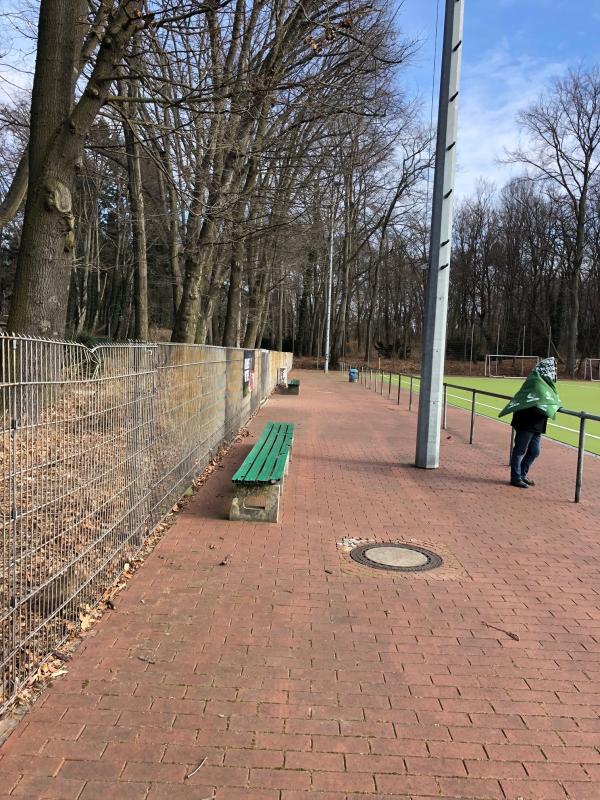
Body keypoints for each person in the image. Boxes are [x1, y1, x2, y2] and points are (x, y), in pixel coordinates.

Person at [498, 357, 561, 489]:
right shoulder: (535, 382)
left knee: (534, 451)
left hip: (537, 424)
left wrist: (555, 405)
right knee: (520, 449)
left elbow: (549, 398)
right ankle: (516, 477)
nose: (555, 372)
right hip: (526, 422)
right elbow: (541, 397)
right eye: (554, 369)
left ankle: (522, 474)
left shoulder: (546, 383)